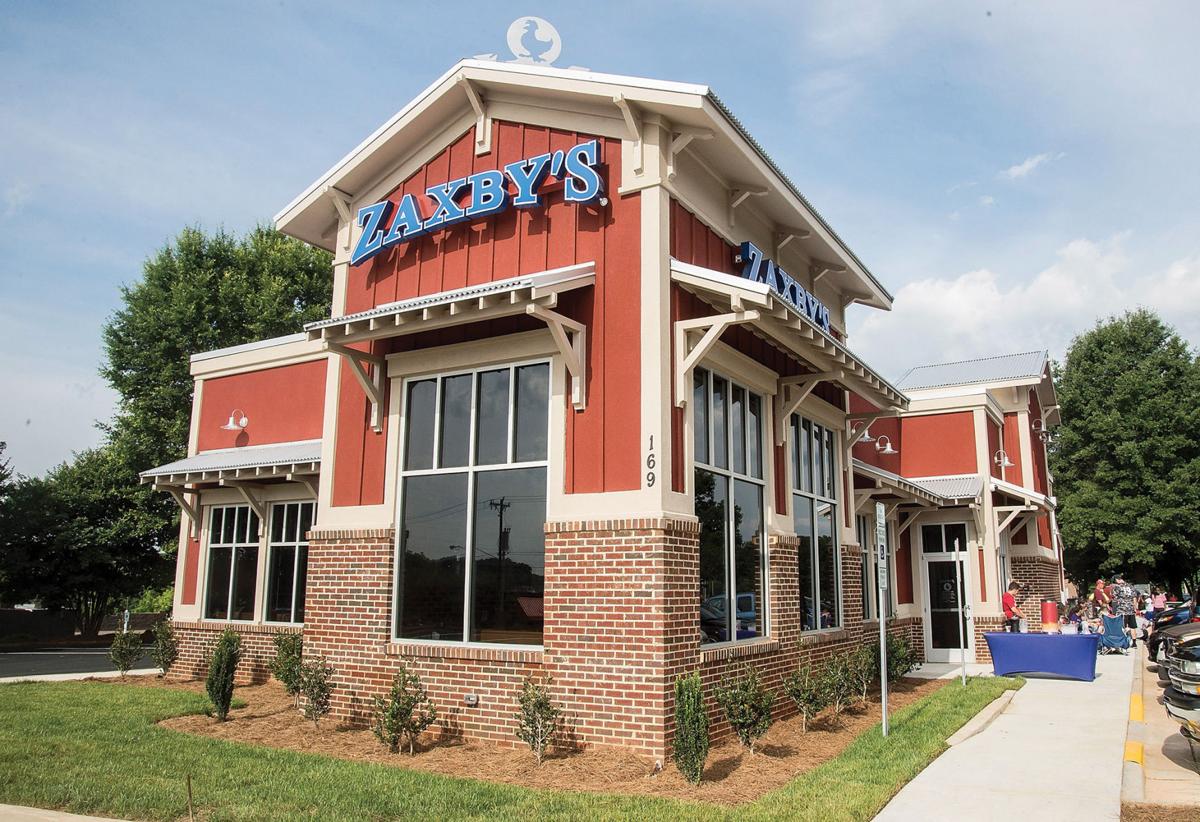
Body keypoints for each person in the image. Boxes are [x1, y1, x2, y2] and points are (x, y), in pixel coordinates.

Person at [1111, 575, 1138, 644]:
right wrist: (1135, 608)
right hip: (1131, 609)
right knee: (1133, 626)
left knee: (1121, 626)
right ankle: (1134, 643)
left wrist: (1114, 610)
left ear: (1117, 580)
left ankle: (1122, 642)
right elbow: (1134, 598)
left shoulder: (1117, 587)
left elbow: (1114, 598)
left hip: (1121, 609)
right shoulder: (1130, 586)